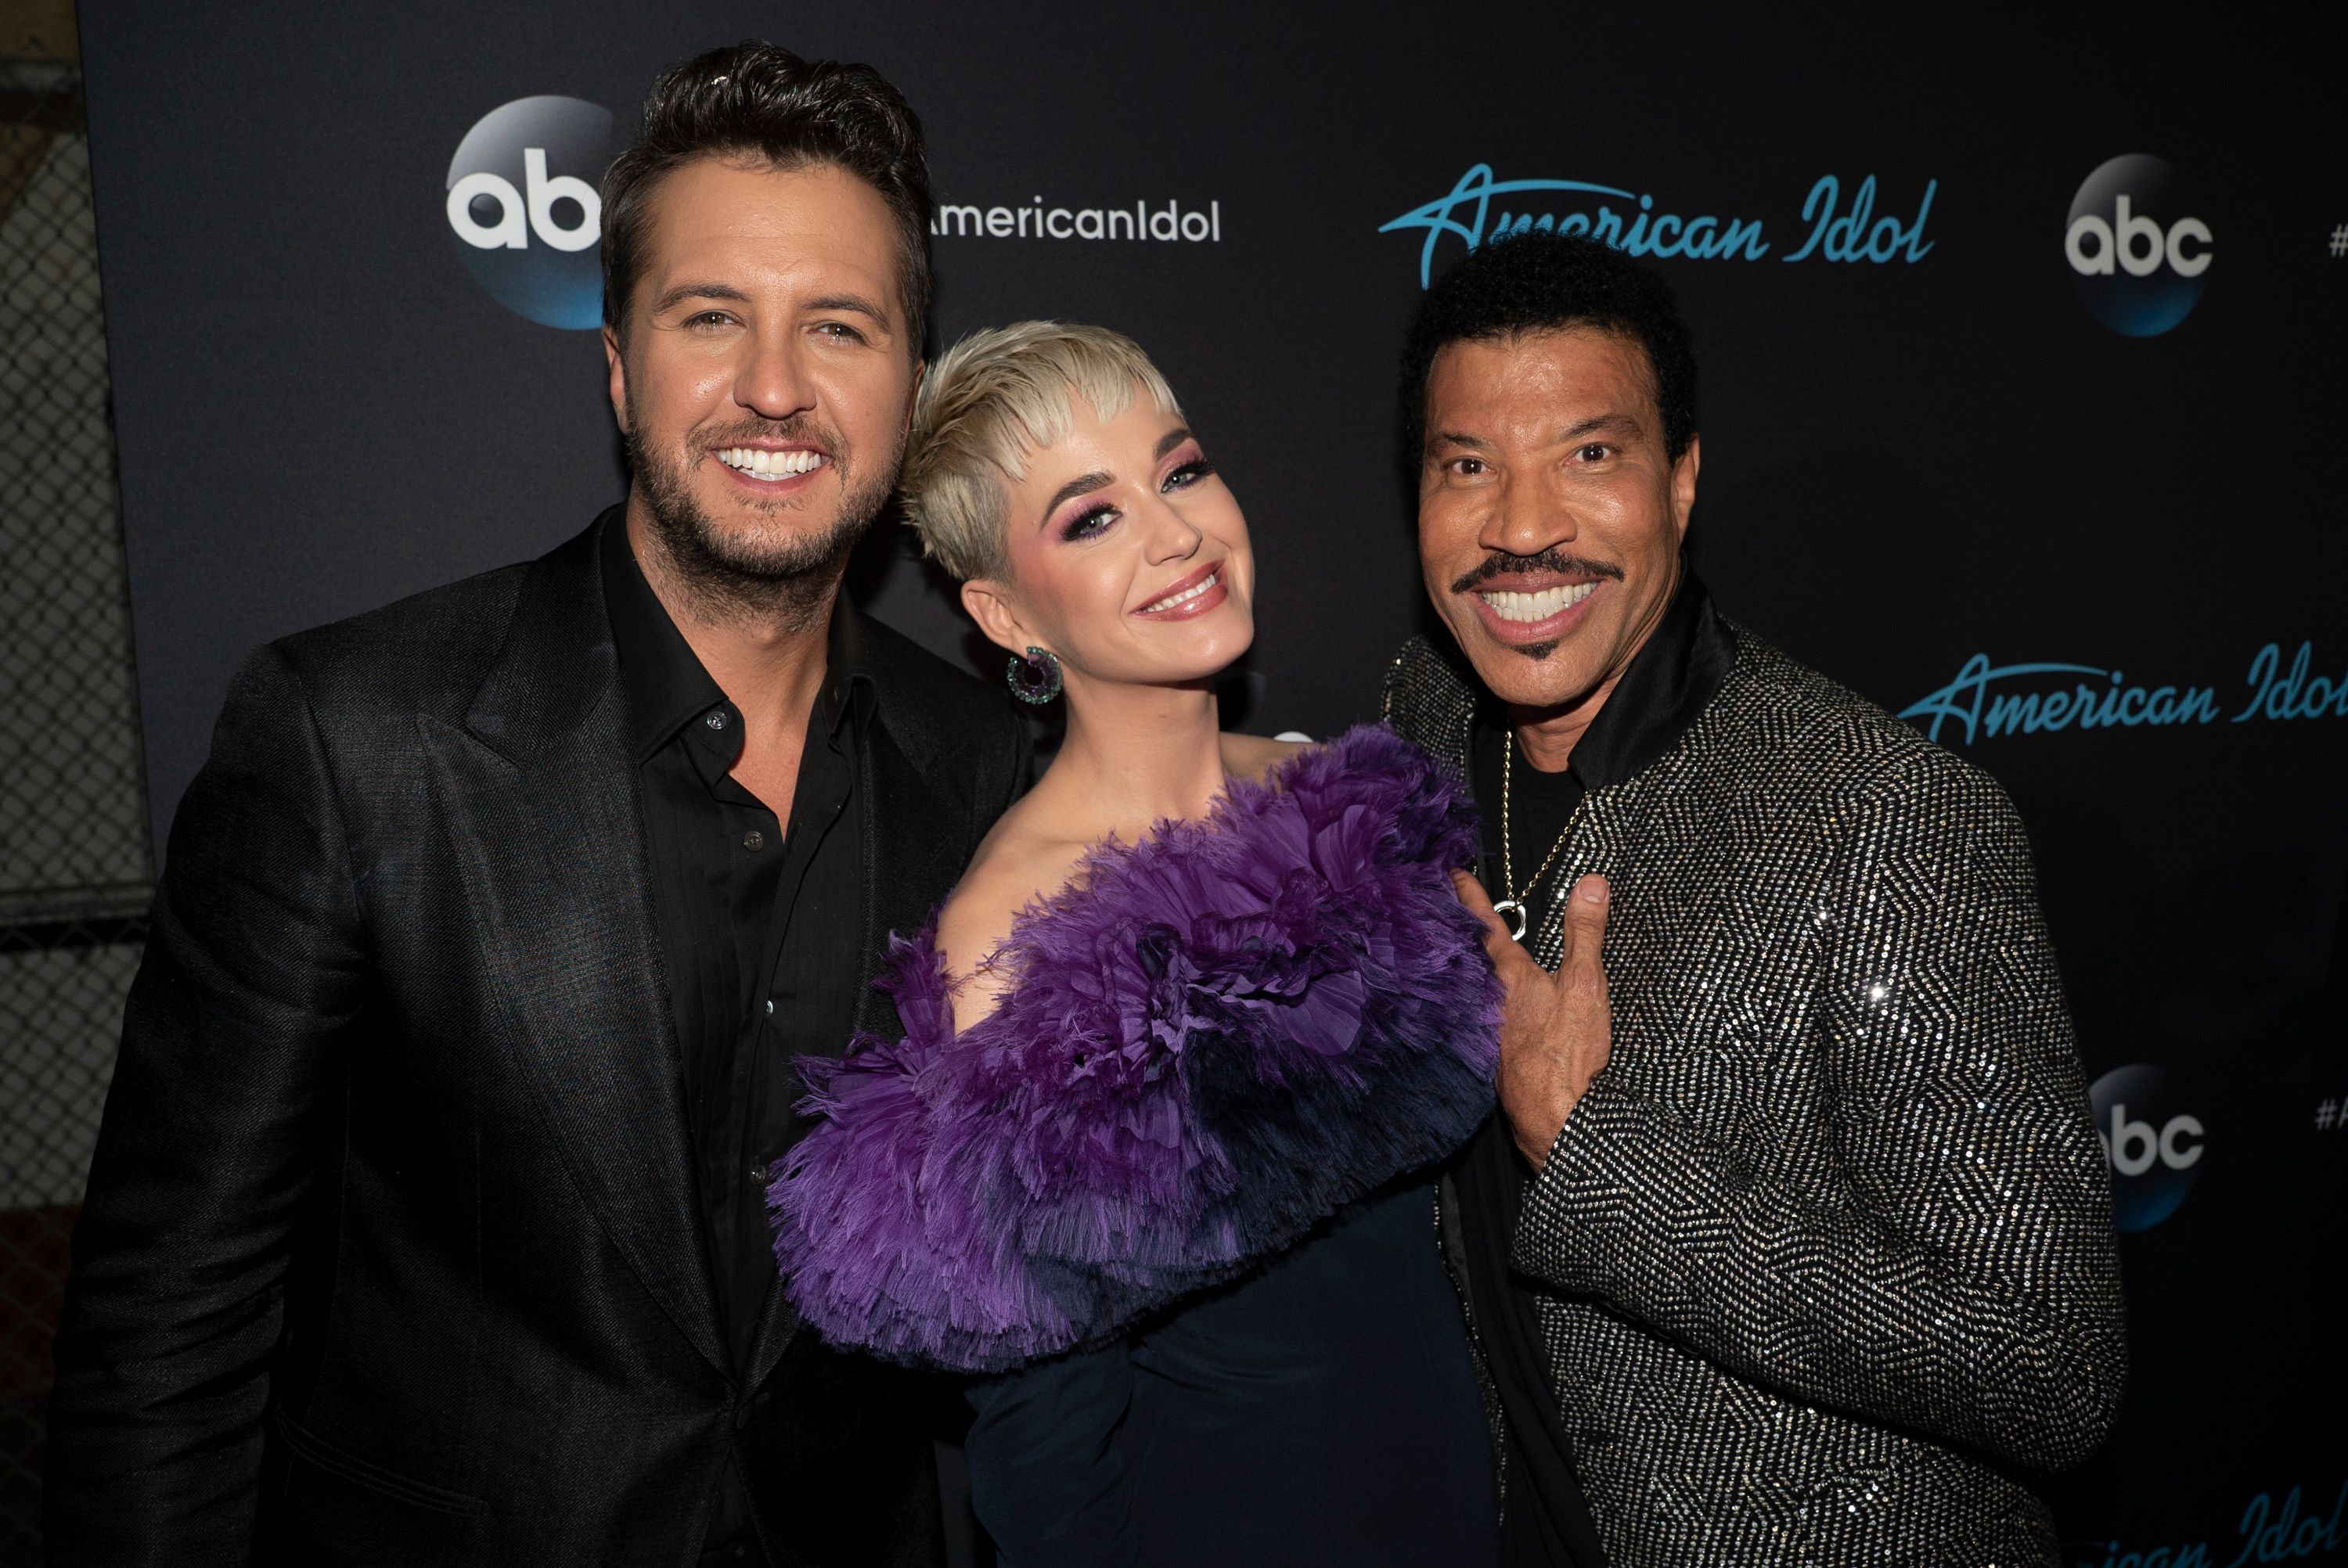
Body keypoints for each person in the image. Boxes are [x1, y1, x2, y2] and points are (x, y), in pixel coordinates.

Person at [45, 42, 1025, 1566]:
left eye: (839, 326)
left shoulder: (987, 767)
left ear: (908, 380)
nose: (776, 384)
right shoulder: (354, 737)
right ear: (622, 366)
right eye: (713, 319)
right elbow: (167, 1336)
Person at [1380, 230, 2129, 1566]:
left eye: (1590, 455)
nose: (1523, 526)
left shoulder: (1885, 818)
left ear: (1682, 479)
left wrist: (1601, 1157)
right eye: (1468, 467)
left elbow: (2047, 1358)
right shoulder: (1423, 722)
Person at [765, 322, 1503, 1566]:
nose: (1177, 535)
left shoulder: (1335, 796)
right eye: (1091, 518)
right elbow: (1043, 1458)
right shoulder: (1008, 939)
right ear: (1004, 615)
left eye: (1182, 471)